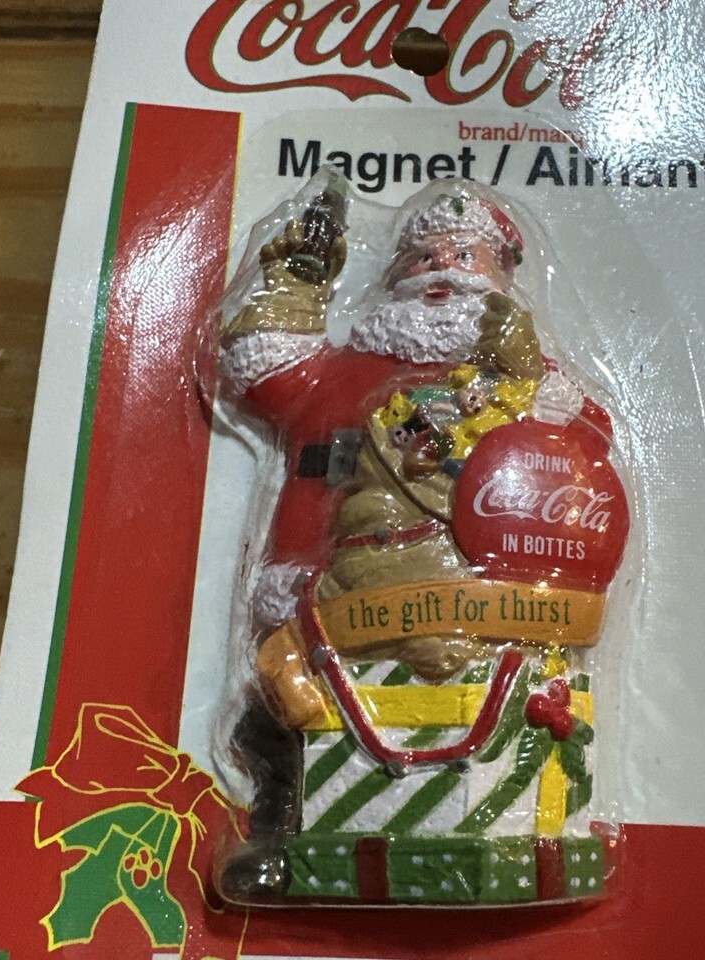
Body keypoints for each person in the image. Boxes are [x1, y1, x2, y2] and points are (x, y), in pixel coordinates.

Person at [217, 180, 612, 901]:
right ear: (399, 272)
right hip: (333, 592)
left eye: (462, 256)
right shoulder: (342, 375)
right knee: (282, 710)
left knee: (514, 710)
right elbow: (261, 366)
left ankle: (521, 831)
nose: (441, 271)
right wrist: (300, 275)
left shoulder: (529, 388)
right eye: (424, 256)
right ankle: (287, 833)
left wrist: (534, 385)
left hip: (487, 606)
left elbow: (586, 451)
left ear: (499, 276)